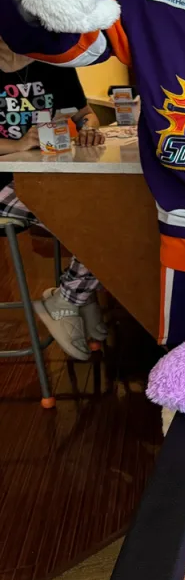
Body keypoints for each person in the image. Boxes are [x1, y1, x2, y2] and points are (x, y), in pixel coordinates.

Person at [0, 39, 107, 360]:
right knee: (97, 223)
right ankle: (72, 299)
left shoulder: (53, 63)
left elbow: (85, 114)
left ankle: (73, 296)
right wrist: (18, 144)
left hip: (51, 177)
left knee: (110, 213)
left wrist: (88, 127)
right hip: (6, 184)